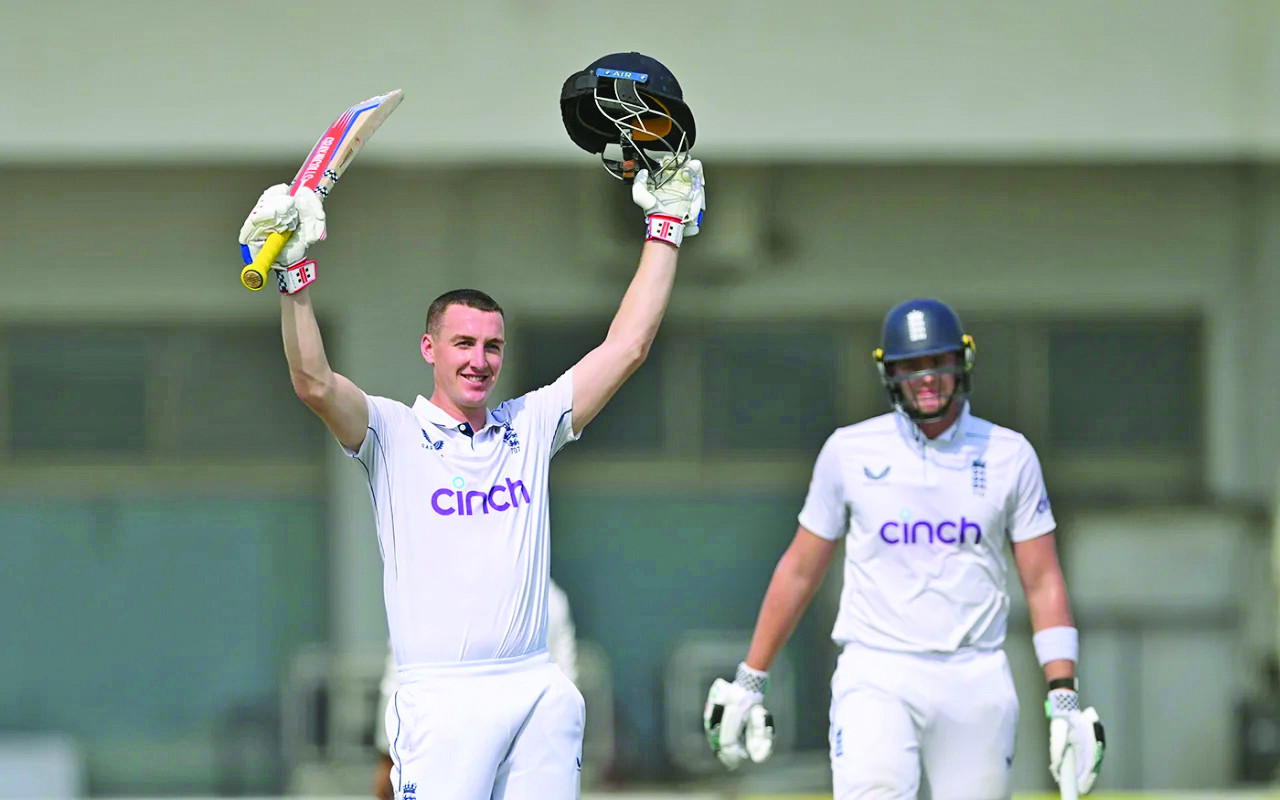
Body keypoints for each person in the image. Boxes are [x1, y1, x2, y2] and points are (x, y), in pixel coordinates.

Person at [237, 137, 703, 800]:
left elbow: (628, 346)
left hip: (535, 684)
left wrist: (666, 229)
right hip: (441, 698)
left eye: (492, 346)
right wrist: (293, 276)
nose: (479, 359)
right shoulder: (391, 432)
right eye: (463, 343)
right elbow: (314, 383)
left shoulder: (531, 424)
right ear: (430, 347)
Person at [703, 299, 1106, 799]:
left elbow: (1043, 580)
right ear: (887, 373)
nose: (928, 378)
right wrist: (751, 677)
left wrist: (1063, 696)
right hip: (877, 670)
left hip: (975, 675)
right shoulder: (849, 452)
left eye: (939, 362)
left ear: (962, 363)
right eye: (910, 367)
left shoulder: (1009, 454)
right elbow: (800, 570)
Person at [371, 579, 579, 800]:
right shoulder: (550, 595)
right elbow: (566, 679)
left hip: (450, 738)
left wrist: (387, 754)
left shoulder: (435, 585)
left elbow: (401, 671)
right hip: (531, 743)